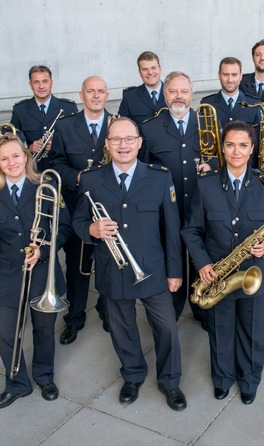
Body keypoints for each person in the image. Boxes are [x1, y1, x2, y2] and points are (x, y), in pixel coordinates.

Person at [72, 117, 187, 411]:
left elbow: (171, 230)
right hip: (113, 268)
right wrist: (91, 230)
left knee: (167, 328)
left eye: (129, 139)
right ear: (107, 145)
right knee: (122, 327)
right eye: (116, 140)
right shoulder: (90, 179)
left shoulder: (160, 177)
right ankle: (133, 374)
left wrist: (175, 272)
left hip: (152, 268)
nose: (123, 145)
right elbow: (78, 220)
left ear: (139, 142)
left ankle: (170, 381)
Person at [182, 120, 264, 405]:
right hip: (217, 274)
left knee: (253, 333)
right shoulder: (205, 185)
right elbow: (191, 230)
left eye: (242, 145)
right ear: (222, 149)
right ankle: (222, 378)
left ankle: (250, 379)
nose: (236, 151)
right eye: (230, 145)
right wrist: (202, 264)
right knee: (220, 330)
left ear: (251, 148)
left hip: (256, 274)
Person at [0, 133, 71, 409]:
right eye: (4, 158)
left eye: (16, 156)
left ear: (26, 157)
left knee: (43, 330)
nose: (11, 162)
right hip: (8, 274)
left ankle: (44, 376)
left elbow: (63, 229)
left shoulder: (46, 184)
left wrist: (44, 250)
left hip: (43, 271)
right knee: (3, 332)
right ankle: (17, 382)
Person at [140, 71, 213, 326]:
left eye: (184, 91)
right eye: (173, 91)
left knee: (199, 258)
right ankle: (171, 306)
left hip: (200, 209)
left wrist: (212, 167)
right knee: (169, 258)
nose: (178, 96)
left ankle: (201, 306)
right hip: (165, 211)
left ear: (192, 94)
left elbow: (220, 162)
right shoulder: (150, 129)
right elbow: (143, 172)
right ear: (164, 94)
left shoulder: (208, 124)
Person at [50, 75, 114, 342]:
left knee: (110, 265)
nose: (96, 95)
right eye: (91, 91)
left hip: (110, 210)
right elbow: (54, 164)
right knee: (77, 267)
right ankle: (74, 318)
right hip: (78, 208)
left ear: (107, 95)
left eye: (100, 91)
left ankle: (107, 310)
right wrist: (78, 177)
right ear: (82, 95)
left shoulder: (118, 124)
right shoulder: (65, 127)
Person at [10, 65, 77, 170]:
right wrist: (29, 147)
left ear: (51, 83)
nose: (41, 86)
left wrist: (57, 146)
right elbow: (12, 141)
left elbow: (76, 140)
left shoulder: (68, 107)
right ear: (30, 85)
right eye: (36, 82)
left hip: (61, 170)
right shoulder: (20, 110)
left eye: (45, 81)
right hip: (32, 172)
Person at [200, 57, 261, 129]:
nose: (230, 80)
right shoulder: (207, 104)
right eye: (225, 75)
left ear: (241, 76)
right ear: (219, 75)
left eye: (234, 75)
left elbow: (257, 137)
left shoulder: (254, 104)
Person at [118, 51, 167, 127]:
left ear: (160, 68)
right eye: (145, 69)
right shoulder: (129, 97)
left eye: (153, 68)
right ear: (140, 72)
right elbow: (122, 127)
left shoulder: (173, 93)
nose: (150, 72)